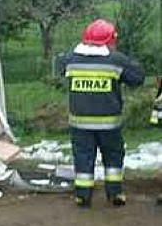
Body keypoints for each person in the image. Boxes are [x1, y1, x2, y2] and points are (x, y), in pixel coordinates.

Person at [58, 19, 144, 208]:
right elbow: (137, 79)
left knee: (83, 158)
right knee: (113, 157)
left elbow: (59, 65)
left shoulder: (70, 59)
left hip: (79, 124)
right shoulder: (116, 60)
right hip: (109, 124)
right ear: (109, 40)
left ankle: (82, 196)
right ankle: (115, 194)